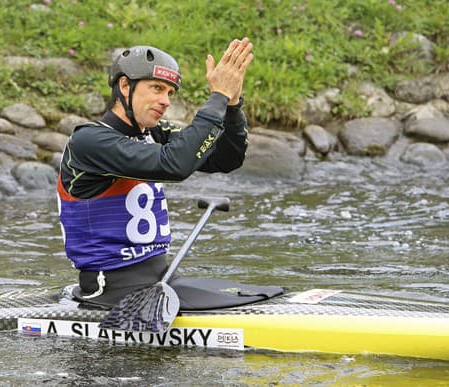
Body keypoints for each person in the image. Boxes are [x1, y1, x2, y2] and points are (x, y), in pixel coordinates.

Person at [58, 38, 282, 309]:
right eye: (156, 89)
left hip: (161, 280)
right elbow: (174, 165)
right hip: (110, 292)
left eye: (169, 93)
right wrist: (217, 98)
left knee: (265, 293)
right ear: (125, 86)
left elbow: (226, 159)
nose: (164, 101)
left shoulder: (154, 133)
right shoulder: (90, 141)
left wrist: (232, 106)